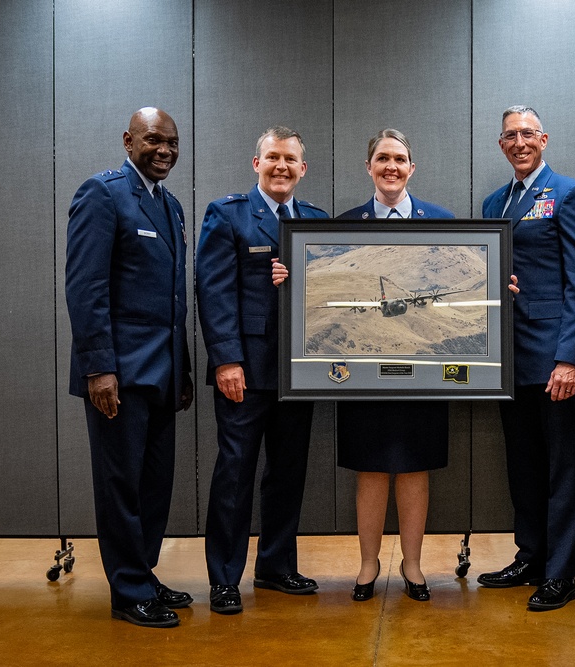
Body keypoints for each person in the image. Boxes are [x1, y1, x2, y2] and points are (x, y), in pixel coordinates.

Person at [65, 107, 194, 628]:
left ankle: (143, 571)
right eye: (153, 141)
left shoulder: (172, 205)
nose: (164, 151)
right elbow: (86, 286)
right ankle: (128, 591)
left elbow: (172, 299)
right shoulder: (103, 193)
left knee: (154, 485)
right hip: (117, 374)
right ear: (128, 140)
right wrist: (98, 368)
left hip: (161, 374)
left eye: (172, 143)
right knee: (121, 485)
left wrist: (182, 370)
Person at [196, 126, 327, 615]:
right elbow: (213, 293)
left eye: (291, 160)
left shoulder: (315, 220)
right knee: (235, 473)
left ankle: (275, 566)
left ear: (303, 168)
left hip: (298, 371)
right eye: (273, 157)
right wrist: (226, 359)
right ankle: (224, 578)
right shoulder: (227, 214)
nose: (281, 167)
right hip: (245, 371)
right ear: (257, 164)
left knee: (287, 472)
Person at [476, 106, 575, 612]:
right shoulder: (493, 202)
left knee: (561, 465)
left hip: (553, 356)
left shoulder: (571, 194)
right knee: (523, 463)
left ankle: (562, 571)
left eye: (528, 133)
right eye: (510, 135)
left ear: (543, 138)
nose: (520, 142)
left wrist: (569, 358)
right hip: (509, 358)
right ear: (501, 144)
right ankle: (531, 555)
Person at [336, 128, 454, 603]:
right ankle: (368, 565)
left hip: (423, 363)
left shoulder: (442, 221)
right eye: (382, 158)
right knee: (370, 467)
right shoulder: (343, 225)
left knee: (414, 466)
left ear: (412, 168)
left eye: (400, 159)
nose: (391, 166)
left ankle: (413, 564)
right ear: (369, 167)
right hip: (362, 365)